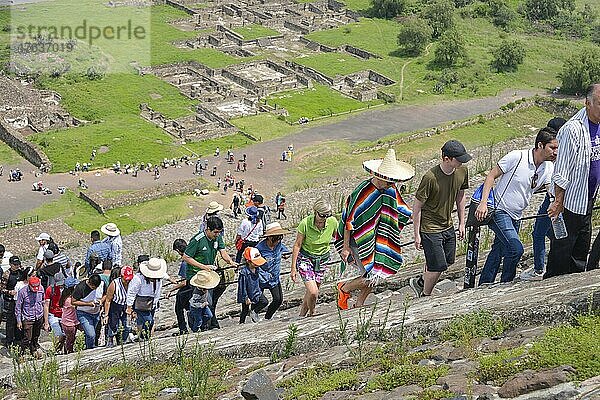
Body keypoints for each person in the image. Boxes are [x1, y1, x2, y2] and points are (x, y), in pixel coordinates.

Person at [476, 128, 558, 284]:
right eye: (552, 148)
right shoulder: (517, 156)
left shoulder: (547, 167)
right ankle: (506, 283)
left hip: (517, 214)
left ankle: (484, 283)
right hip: (500, 210)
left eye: (556, 148)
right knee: (516, 249)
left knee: (499, 249)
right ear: (540, 145)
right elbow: (491, 176)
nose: (555, 152)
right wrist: (483, 203)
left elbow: (549, 189)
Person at [335, 149, 414, 309]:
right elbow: (350, 220)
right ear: (379, 176)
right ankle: (344, 288)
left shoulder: (390, 189)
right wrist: (345, 247)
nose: (392, 183)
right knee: (371, 275)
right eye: (389, 180)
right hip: (357, 239)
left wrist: (416, 214)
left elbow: (400, 207)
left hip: (379, 239)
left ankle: (359, 304)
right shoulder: (363, 192)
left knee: (377, 274)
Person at [547, 84, 600, 278]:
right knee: (561, 252)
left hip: (587, 198)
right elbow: (561, 171)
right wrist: (558, 201)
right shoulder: (572, 130)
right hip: (569, 202)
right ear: (588, 103)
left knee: (580, 250)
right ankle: (552, 292)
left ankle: (573, 289)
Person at [409, 141, 471, 297]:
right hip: (430, 227)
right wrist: (416, 235)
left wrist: (462, 222)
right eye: (458, 159)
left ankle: (422, 282)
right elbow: (417, 207)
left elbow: (460, 196)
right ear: (446, 159)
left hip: (447, 224)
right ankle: (425, 295)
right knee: (438, 266)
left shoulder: (462, 171)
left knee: (448, 261)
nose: (462, 162)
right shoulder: (430, 178)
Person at [520, 117, 567, 281]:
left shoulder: (553, 151)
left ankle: (539, 268)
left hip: (553, 197)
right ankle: (558, 257)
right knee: (552, 231)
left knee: (539, 233)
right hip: (560, 196)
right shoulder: (566, 148)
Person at [182, 217, 235, 330]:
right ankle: (198, 322)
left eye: (219, 232)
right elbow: (186, 257)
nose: (217, 235)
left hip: (208, 274)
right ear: (208, 229)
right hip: (196, 275)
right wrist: (203, 267)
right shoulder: (197, 240)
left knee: (208, 302)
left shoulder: (218, 238)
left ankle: (204, 325)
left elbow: (223, 252)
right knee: (201, 300)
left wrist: (230, 262)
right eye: (215, 232)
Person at [290, 199, 338, 317]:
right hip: (306, 258)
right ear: (315, 212)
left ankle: (302, 315)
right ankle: (312, 313)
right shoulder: (305, 223)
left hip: (322, 259)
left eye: (327, 215)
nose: (324, 218)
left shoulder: (332, 222)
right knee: (313, 292)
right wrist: (293, 268)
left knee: (311, 292)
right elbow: (297, 245)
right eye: (322, 215)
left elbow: (338, 237)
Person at [256, 222, 291, 320]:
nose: (278, 240)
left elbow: (285, 250)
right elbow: (253, 262)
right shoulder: (259, 248)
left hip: (274, 277)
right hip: (262, 277)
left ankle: (268, 317)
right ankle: (253, 314)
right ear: (270, 237)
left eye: (280, 237)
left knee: (278, 299)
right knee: (259, 300)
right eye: (276, 238)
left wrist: (285, 253)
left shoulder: (279, 244)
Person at [126, 257, 167, 340]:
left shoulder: (160, 277)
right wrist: (129, 306)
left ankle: (141, 337)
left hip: (153, 303)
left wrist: (171, 279)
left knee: (145, 321)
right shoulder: (138, 278)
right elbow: (131, 292)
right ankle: (143, 337)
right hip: (141, 303)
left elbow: (165, 276)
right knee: (149, 321)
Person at [103, 266, 133, 346]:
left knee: (127, 326)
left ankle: (123, 341)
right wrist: (106, 315)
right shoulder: (114, 284)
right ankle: (110, 340)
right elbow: (108, 300)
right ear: (121, 276)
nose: (127, 281)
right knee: (113, 324)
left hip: (127, 306)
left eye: (129, 279)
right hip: (115, 306)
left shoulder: (133, 283)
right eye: (125, 279)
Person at [71, 274, 103, 349]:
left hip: (96, 313)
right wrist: (88, 304)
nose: (95, 289)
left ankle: (88, 347)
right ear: (90, 283)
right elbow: (73, 302)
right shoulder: (80, 287)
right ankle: (90, 350)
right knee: (91, 334)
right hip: (83, 313)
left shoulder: (101, 284)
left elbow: (105, 295)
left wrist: (101, 301)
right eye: (93, 287)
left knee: (91, 335)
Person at [15, 276, 44, 357]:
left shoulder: (41, 288)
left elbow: (43, 301)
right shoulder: (22, 292)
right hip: (28, 318)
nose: (36, 289)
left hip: (39, 316)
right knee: (27, 338)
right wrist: (19, 321)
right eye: (33, 287)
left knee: (36, 335)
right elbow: (18, 307)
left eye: (37, 287)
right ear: (29, 285)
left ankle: (33, 349)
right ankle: (21, 354)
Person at [238, 247, 268, 323]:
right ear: (248, 261)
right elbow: (242, 286)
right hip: (247, 293)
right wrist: (246, 297)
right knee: (245, 309)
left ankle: (254, 312)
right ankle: (241, 322)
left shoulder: (257, 269)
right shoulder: (244, 272)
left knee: (264, 302)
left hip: (256, 291)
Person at [1, 255, 23, 348]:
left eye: (18, 264)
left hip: (19, 300)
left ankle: (18, 338)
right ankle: (9, 340)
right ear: (10, 264)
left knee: (19, 318)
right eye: (14, 264)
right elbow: (1, 288)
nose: (16, 266)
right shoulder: (7, 274)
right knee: (10, 321)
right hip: (9, 300)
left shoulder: (21, 272)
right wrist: (10, 292)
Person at [43, 270, 66, 353]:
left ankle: (64, 350)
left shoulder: (68, 288)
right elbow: (46, 305)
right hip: (53, 315)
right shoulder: (50, 289)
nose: (60, 286)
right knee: (58, 334)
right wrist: (46, 322)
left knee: (66, 335)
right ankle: (58, 350)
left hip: (64, 314)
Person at [59, 277, 79, 354]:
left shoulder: (64, 296)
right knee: (70, 340)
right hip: (70, 323)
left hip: (66, 321)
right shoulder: (70, 300)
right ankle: (68, 352)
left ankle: (66, 350)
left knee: (69, 339)